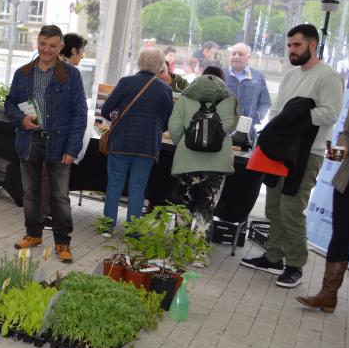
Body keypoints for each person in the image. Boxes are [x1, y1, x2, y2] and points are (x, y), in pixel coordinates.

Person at [241, 24, 344, 288]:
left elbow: (330, 113)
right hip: (279, 151)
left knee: (291, 210)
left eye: (297, 45)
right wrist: (276, 129)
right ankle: (273, 258)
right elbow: (278, 110)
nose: (292, 50)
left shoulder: (329, 76)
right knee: (273, 206)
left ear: (313, 44)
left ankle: (295, 265)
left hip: (308, 154)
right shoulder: (290, 75)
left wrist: (296, 116)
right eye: (289, 45)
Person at [3, 25, 87, 262]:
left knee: (59, 196)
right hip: (29, 140)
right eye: (42, 44)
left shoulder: (71, 75)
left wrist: (72, 148)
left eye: (52, 46)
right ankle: (33, 234)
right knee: (30, 192)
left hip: (59, 143)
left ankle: (63, 243)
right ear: (37, 43)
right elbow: (9, 103)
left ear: (61, 47)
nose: (46, 50)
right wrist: (21, 119)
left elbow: (79, 114)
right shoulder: (23, 73)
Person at [167, 72, 239, 264]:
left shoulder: (185, 98)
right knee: (206, 209)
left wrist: (183, 145)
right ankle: (199, 255)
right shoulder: (231, 100)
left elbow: (174, 126)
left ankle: (178, 252)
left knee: (183, 208)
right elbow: (231, 128)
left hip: (187, 163)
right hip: (218, 164)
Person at [100, 48, 174, 234]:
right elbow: (167, 122)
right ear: (160, 66)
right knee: (138, 188)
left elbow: (106, 110)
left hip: (121, 142)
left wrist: (116, 115)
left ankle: (107, 227)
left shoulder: (126, 82)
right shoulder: (165, 90)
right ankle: (133, 232)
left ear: (139, 63)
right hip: (147, 146)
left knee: (114, 185)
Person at [296, 103, 349, 312]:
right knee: (341, 236)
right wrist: (341, 149)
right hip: (348, 181)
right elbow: (348, 133)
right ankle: (328, 295)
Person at [223, 42, 271, 139]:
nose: (236, 56)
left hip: (247, 132)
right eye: (233, 54)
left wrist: (255, 117)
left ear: (248, 57)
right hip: (223, 130)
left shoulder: (258, 77)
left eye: (240, 54)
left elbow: (265, 103)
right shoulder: (221, 74)